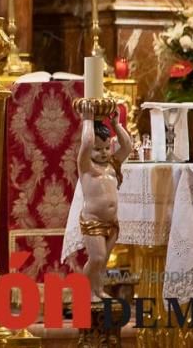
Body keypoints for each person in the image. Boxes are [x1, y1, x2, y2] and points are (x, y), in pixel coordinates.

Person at [77, 118, 132, 301]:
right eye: (98, 149)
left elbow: (127, 147)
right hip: (93, 220)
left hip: (112, 222)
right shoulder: (86, 167)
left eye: (107, 148)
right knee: (97, 259)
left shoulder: (112, 165)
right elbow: (85, 144)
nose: (103, 153)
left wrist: (116, 125)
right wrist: (87, 120)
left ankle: (98, 290)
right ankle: (86, 292)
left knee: (103, 262)